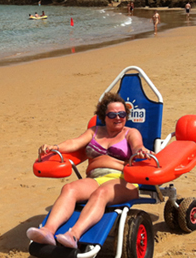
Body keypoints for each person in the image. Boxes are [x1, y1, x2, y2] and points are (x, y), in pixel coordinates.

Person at [26, 93, 151, 248]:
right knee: (69, 188)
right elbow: (74, 143)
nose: (118, 118)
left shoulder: (130, 133)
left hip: (123, 181)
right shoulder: (95, 131)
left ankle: (73, 235)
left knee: (101, 193)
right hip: (95, 179)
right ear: (104, 116)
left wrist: (141, 150)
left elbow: (137, 145)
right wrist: (55, 147)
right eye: (112, 114)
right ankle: (47, 231)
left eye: (122, 114)